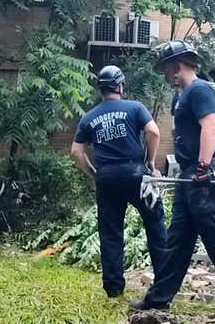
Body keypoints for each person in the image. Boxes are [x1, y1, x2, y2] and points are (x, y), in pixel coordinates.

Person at [131, 41, 215, 317]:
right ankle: (159, 298)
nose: (165, 75)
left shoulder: (199, 90)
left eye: (165, 69)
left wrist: (203, 167)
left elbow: (210, 126)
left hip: (201, 174)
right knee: (177, 240)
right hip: (189, 175)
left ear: (176, 66)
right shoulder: (184, 95)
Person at [70, 65, 167, 298]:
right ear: (120, 85)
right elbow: (154, 133)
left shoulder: (89, 117)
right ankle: (164, 281)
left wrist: (93, 173)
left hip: (107, 178)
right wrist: (150, 162)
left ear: (101, 89)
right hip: (136, 174)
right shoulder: (135, 107)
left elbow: (75, 151)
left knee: (111, 232)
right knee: (155, 224)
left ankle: (114, 288)